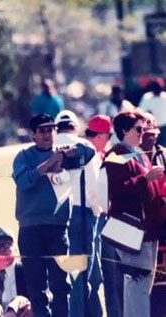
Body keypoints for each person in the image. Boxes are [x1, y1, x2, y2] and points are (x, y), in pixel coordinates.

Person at [104, 110, 166, 317]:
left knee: (143, 283)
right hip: (130, 229)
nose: (143, 133)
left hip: (149, 229)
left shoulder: (138, 154)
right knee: (137, 282)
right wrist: (146, 178)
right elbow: (118, 190)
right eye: (138, 129)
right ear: (124, 131)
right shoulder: (116, 155)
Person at [12, 114, 72, 317]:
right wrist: (47, 165)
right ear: (33, 135)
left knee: (61, 286)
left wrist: (64, 157)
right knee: (37, 288)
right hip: (30, 228)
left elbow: (89, 153)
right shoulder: (23, 157)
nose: (48, 134)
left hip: (58, 228)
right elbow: (24, 182)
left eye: (51, 129)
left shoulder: (65, 154)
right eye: (43, 130)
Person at [53, 110, 103, 317]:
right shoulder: (87, 147)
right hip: (83, 212)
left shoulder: (51, 147)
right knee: (82, 275)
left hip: (56, 215)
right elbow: (94, 186)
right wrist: (96, 210)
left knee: (63, 273)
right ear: (76, 126)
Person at [85, 115, 124, 317]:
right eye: (108, 135)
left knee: (109, 275)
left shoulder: (99, 154)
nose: (109, 139)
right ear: (100, 135)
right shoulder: (92, 155)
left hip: (100, 219)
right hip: (96, 219)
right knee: (101, 275)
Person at [139, 113, 166, 317]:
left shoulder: (163, 155)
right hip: (140, 225)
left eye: (154, 134)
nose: (151, 138)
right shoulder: (131, 157)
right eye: (146, 134)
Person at [139, 79, 166, 146]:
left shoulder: (165, 96)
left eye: (158, 87)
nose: (157, 89)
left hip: (164, 127)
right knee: (153, 146)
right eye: (155, 87)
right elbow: (141, 111)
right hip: (152, 128)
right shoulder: (147, 97)